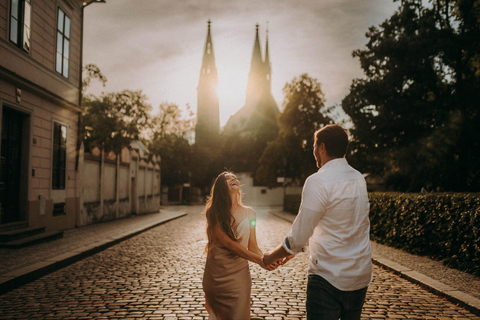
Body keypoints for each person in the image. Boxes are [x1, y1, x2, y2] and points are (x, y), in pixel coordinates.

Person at [263, 124, 372, 320]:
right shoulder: (358, 179)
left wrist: (271, 256)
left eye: (314, 146)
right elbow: (343, 224)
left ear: (322, 147)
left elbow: (298, 237)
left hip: (328, 277)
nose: (313, 151)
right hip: (360, 276)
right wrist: (298, 249)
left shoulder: (317, 181)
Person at [202, 171, 278, 319]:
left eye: (234, 178)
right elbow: (229, 244)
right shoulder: (213, 212)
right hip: (216, 276)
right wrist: (260, 261)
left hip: (239, 276)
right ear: (220, 187)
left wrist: (267, 258)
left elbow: (253, 245)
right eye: (227, 179)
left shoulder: (251, 215)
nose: (233, 179)